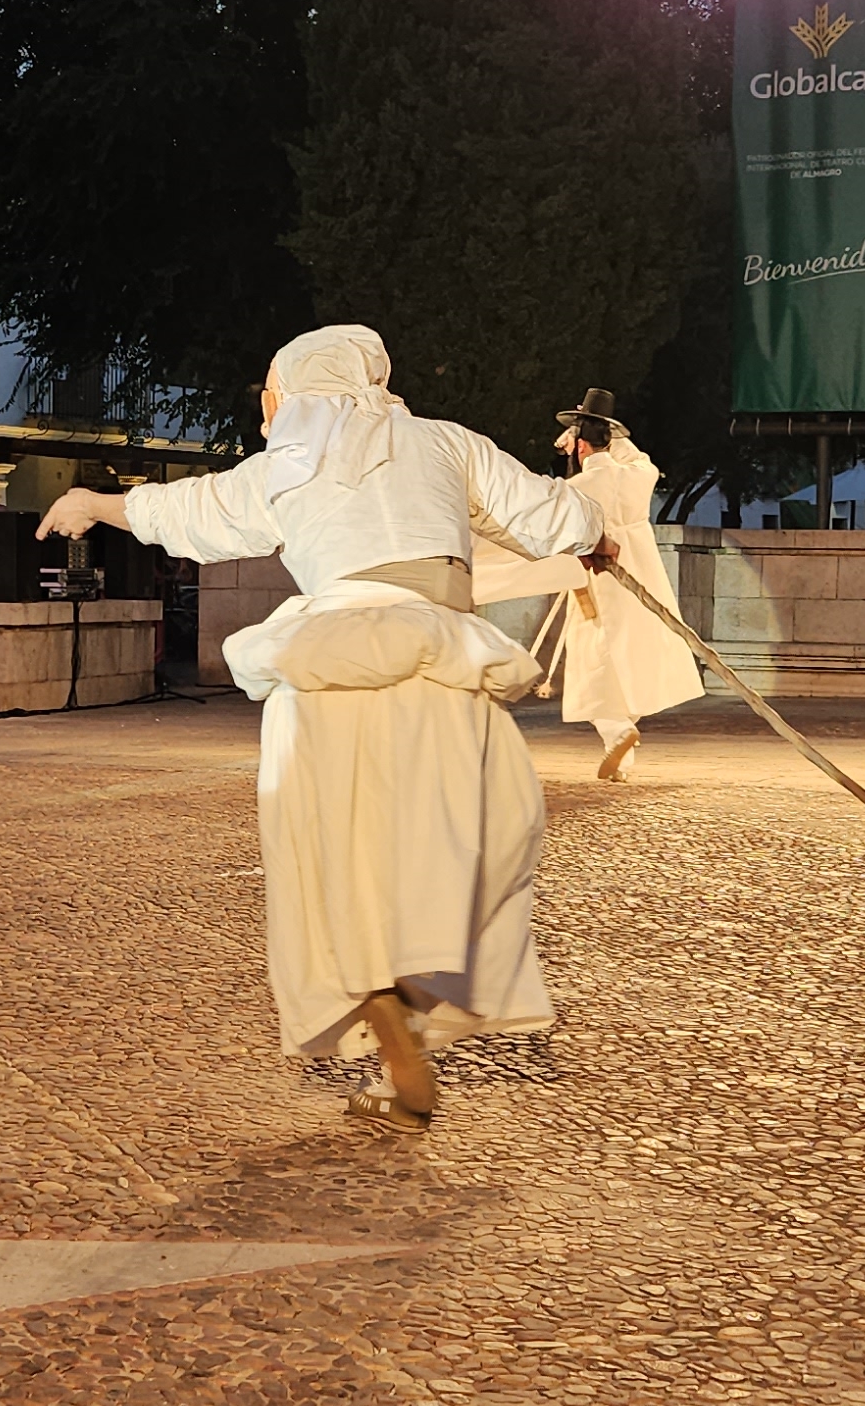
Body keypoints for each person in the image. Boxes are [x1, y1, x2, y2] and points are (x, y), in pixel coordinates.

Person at [39, 325, 606, 1133]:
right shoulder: (445, 444)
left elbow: (186, 509)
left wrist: (91, 503)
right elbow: (550, 512)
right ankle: (409, 1001)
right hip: (436, 664)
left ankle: (381, 1014)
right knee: (471, 847)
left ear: (291, 392)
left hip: (328, 676)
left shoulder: (283, 466)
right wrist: (595, 535)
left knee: (335, 866)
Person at [542, 390, 701, 781]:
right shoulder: (637, 475)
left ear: (579, 446)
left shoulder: (578, 487)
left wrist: (585, 441)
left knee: (593, 661)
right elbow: (635, 458)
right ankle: (623, 751)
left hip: (601, 577)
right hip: (642, 571)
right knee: (636, 654)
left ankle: (617, 732)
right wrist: (601, 433)